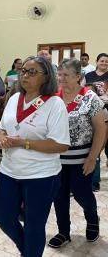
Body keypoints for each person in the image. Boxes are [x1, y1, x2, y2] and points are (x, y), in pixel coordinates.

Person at [0, 56, 70, 257]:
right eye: (24, 71)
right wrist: (2, 137)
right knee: (3, 217)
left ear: (46, 77)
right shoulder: (14, 99)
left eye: (32, 72)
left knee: (34, 225)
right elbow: (2, 127)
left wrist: (23, 143)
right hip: (9, 171)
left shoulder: (54, 104)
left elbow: (61, 144)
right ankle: (27, 251)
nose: (25, 75)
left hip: (41, 175)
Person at [48, 59, 105, 248]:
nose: (61, 79)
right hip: (56, 159)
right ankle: (63, 231)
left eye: (66, 75)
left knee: (82, 194)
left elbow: (101, 129)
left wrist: (92, 158)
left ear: (78, 76)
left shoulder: (90, 97)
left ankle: (92, 220)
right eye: (60, 74)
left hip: (82, 158)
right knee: (59, 196)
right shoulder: (53, 98)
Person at [84, 52, 108, 191]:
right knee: (95, 147)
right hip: (91, 112)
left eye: (107, 62)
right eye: (102, 61)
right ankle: (93, 180)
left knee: (101, 146)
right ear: (97, 61)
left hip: (106, 113)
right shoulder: (89, 76)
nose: (104, 63)